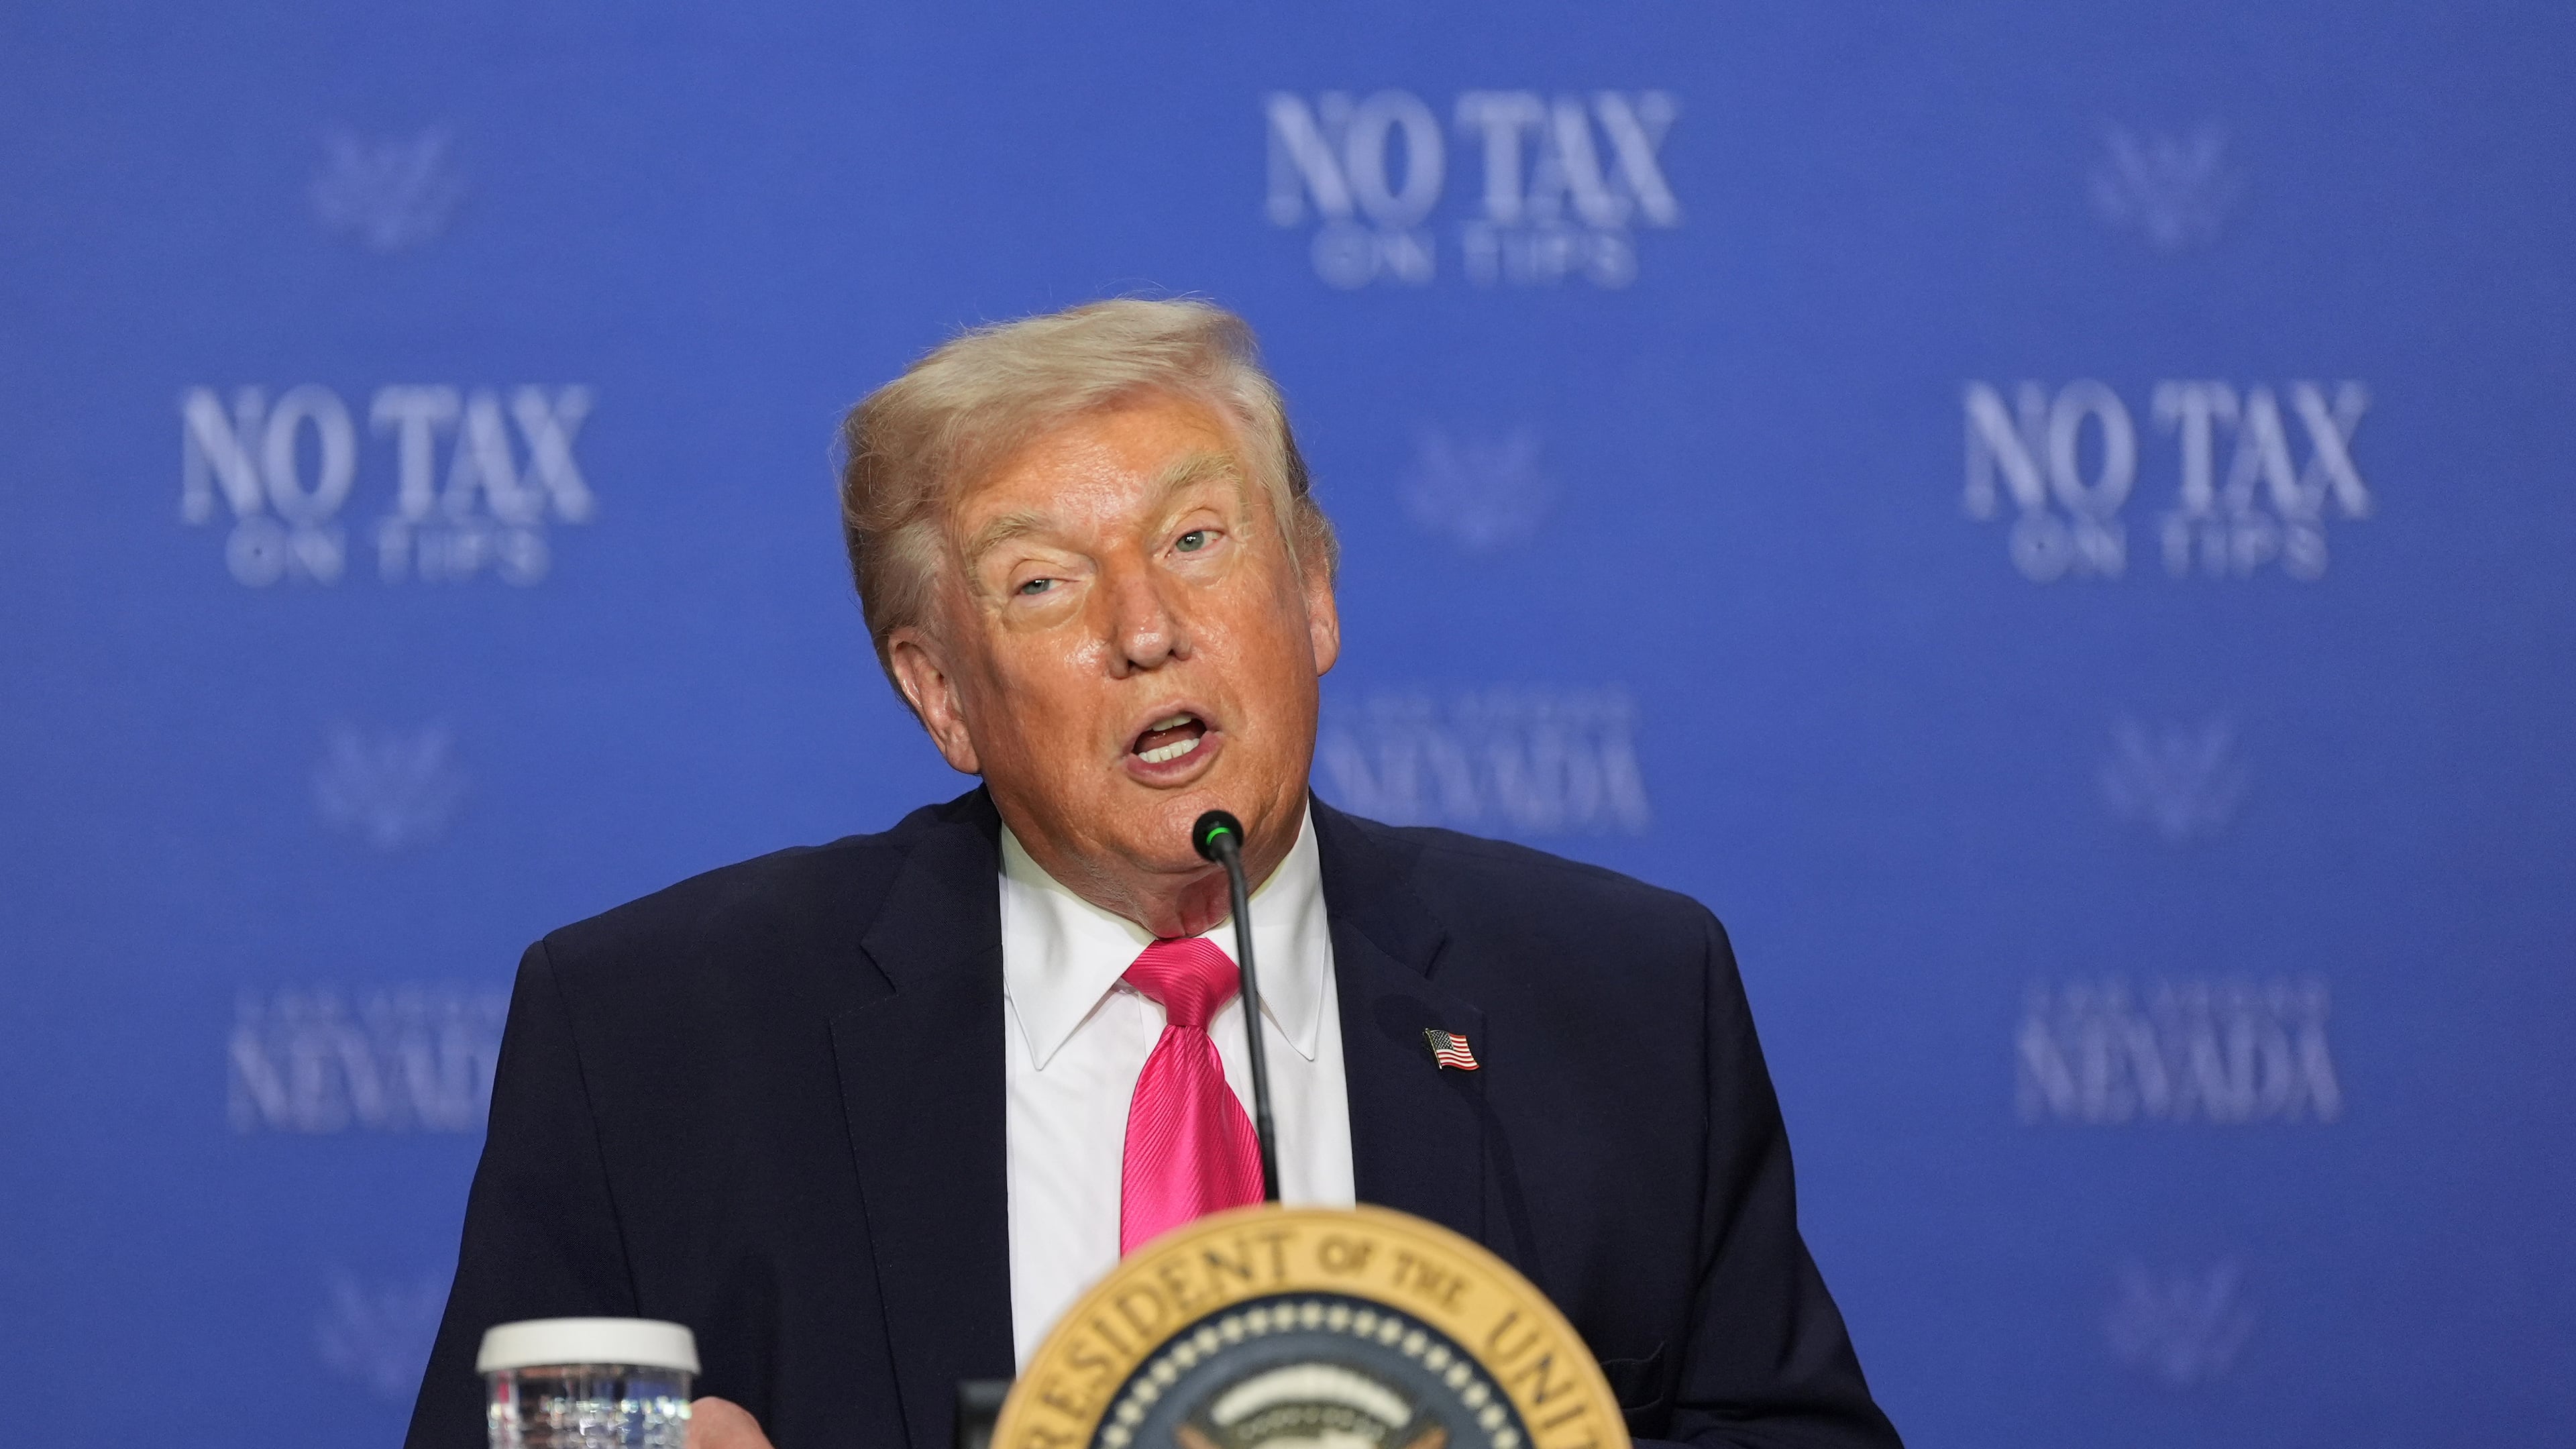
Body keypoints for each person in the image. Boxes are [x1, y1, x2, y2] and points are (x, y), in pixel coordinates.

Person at [405, 300, 1902, 1449]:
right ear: (942, 696)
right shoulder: (657, 1038)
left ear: (1314, 593)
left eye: (1196, 539)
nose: (1144, 628)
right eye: (1042, 582)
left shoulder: (1621, 999)